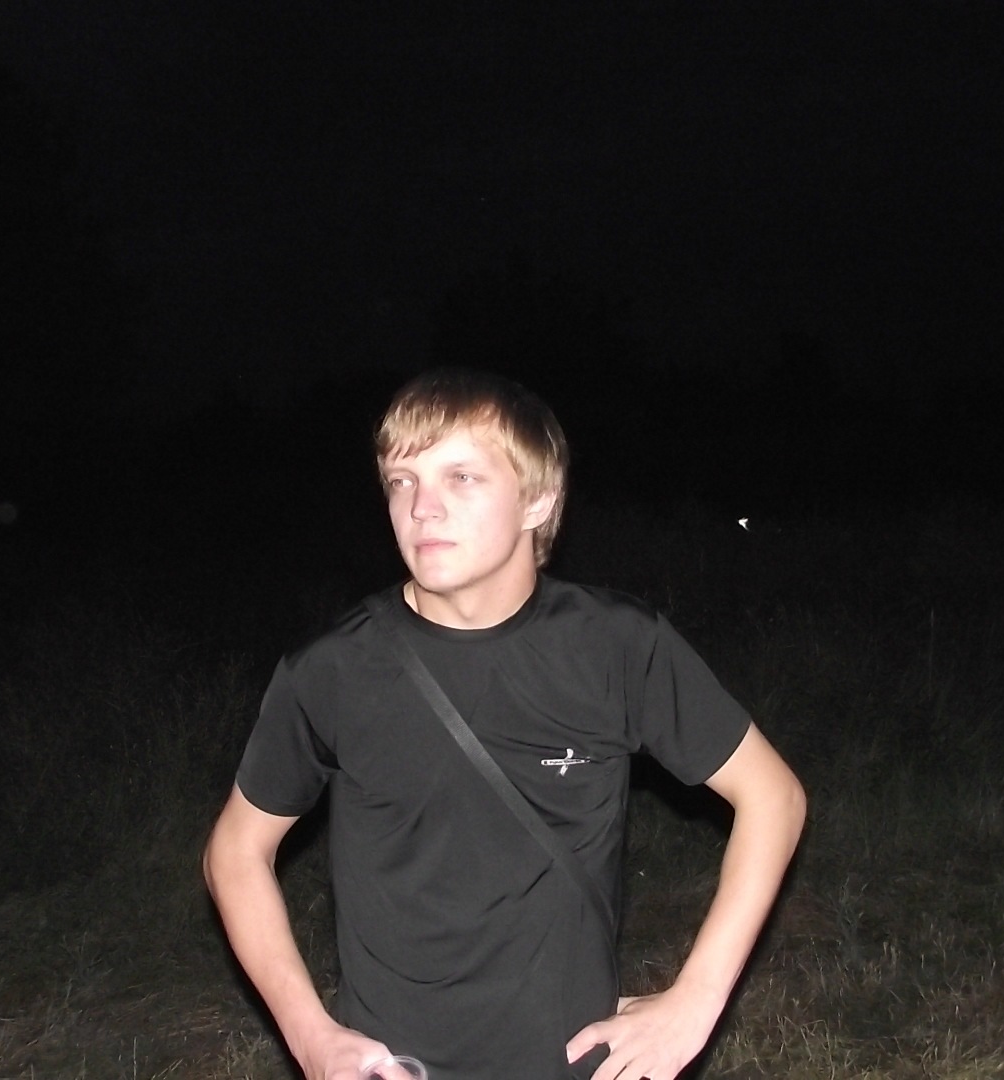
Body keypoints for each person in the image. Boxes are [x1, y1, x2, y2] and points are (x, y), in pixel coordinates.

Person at [203, 369, 807, 1080]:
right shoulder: (332, 670)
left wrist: (696, 1000)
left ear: (537, 500)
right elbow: (234, 853)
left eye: (460, 477)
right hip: (394, 1067)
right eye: (401, 480)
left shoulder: (614, 646)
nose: (421, 508)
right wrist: (311, 1038)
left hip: (571, 1062)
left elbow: (773, 796)